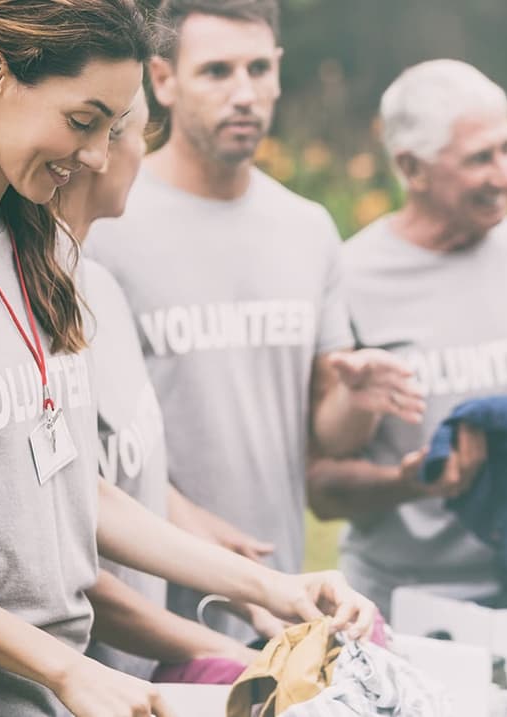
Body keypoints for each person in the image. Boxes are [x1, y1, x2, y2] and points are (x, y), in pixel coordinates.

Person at [0, 2, 375, 714]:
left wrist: (275, 587)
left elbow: (75, 487)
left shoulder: (34, 245)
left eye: (111, 127)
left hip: (48, 689)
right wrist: (65, 668)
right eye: (83, 120)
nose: (98, 155)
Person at [85, 0, 422, 642]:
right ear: (162, 79)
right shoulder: (107, 220)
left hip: (278, 604)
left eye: (258, 69)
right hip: (136, 610)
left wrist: (355, 399)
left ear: (278, 73)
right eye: (216, 71)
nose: (244, 94)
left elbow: (331, 438)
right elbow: (86, 451)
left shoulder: (308, 227)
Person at [307, 59, 507, 618]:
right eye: (481, 158)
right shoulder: (348, 276)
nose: (506, 173)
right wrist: (409, 484)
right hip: (403, 602)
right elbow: (323, 487)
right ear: (412, 167)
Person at [57, 90, 258, 680]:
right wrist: (233, 654)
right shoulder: (28, 312)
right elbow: (73, 563)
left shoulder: (103, 289)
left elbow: (119, 473)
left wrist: (237, 572)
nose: (146, 158)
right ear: (98, 149)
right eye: (144, 135)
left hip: (144, 679)